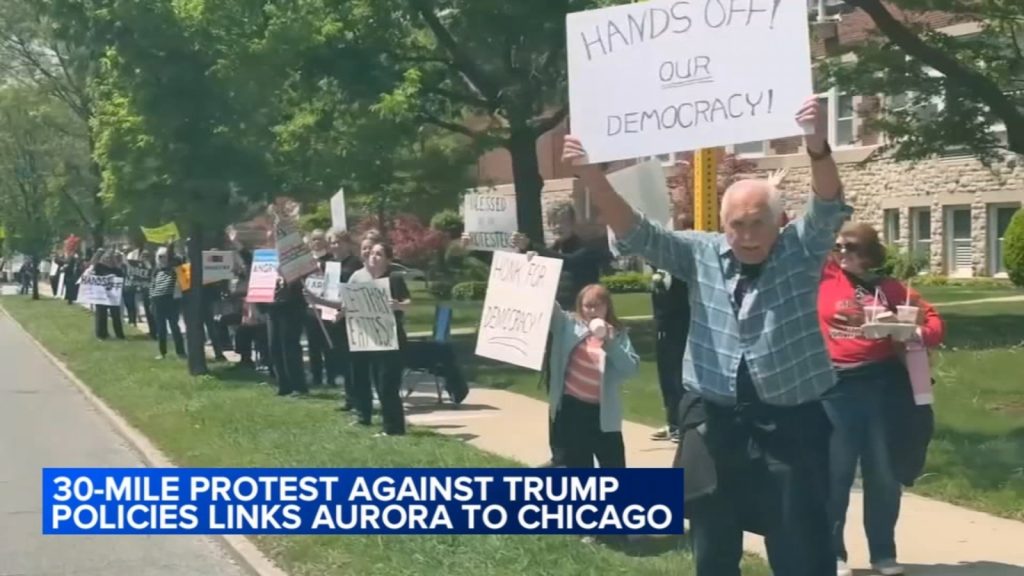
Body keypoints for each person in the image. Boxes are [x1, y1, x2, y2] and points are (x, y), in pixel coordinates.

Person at [563, 97, 848, 576]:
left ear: (778, 222)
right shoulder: (701, 255)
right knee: (713, 550)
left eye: (759, 222)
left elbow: (827, 206)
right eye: (737, 224)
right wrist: (591, 174)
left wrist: (817, 146)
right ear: (722, 224)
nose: (748, 234)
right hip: (716, 425)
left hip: (792, 425)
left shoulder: (799, 251)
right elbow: (638, 232)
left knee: (800, 549)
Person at [819, 222, 944, 576]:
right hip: (836, 385)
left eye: (852, 248)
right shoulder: (824, 277)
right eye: (839, 246)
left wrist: (910, 330)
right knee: (835, 473)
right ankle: (833, 552)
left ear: (870, 254)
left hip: (883, 387)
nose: (843, 253)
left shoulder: (889, 290)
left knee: (883, 473)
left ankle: (883, 552)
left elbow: (934, 323)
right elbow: (794, 241)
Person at [511, 203, 613, 468]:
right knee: (556, 391)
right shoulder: (551, 251)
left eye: (562, 223)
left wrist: (532, 246)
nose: (557, 228)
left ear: (573, 222)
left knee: (580, 394)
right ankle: (559, 455)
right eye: (553, 223)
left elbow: (569, 262)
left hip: (582, 333)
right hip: (556, 329)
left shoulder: (586, 249)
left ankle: (582, 454)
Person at [308, 240, 411, 436]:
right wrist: (318, 300)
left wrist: (397, 305)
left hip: (391, 338)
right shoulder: (359, 278)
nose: (373, 256)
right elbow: (345, 304)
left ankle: (394, 428)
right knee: (369, 381)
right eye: (372, 252)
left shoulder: (394, 278)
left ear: (388, 259)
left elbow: (408, 302)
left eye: (379, 254)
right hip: (365, 337)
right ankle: (373, 419)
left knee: (387, 385)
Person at [546, 282, 638, 468]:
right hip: (572, 410)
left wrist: (611, 344)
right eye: (588, 305)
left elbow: (630, 369)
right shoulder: (568, 324)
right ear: (580, 307)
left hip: (603, 414)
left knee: (614, 468)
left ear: (607, 307)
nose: (592, 310)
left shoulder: (618, 335)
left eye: (598, 305)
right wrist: (532, 265)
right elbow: (547, 304)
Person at [650, 267, 690, 443]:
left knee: (678, 376)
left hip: (681, 325)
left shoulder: (681, 271)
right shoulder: (658, 269)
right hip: (662, 324)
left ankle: (683, 425)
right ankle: (672, 422)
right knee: (665, 375)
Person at [150, 246, 186, 359]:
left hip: (170, 300)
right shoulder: (156, 270)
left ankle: (180, 352)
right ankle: (162, 352)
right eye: (159, 257)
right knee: (161, 328)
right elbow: (152, 286)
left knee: (174, 326)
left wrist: (171, 246)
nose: (161, 259)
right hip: (157, 301)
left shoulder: (174, 269)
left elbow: (179, 261)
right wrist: (151, 300)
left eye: (164, 256)